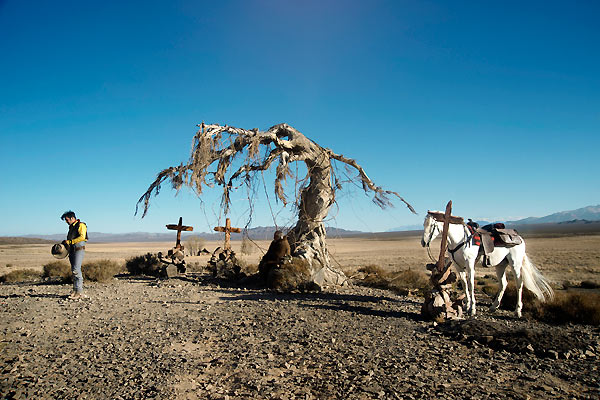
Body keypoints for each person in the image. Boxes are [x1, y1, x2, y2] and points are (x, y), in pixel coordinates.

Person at [61, 210, 88, 299]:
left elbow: (82, 237)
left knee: (76, 270)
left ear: (72, 218)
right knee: (74, 270)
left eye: (67, 219)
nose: (66, 222)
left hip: (78, 250)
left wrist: (70, 241)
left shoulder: (81, 225)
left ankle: (79, 292)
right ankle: (75, 290)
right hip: (72, 250)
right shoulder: (71, 227)